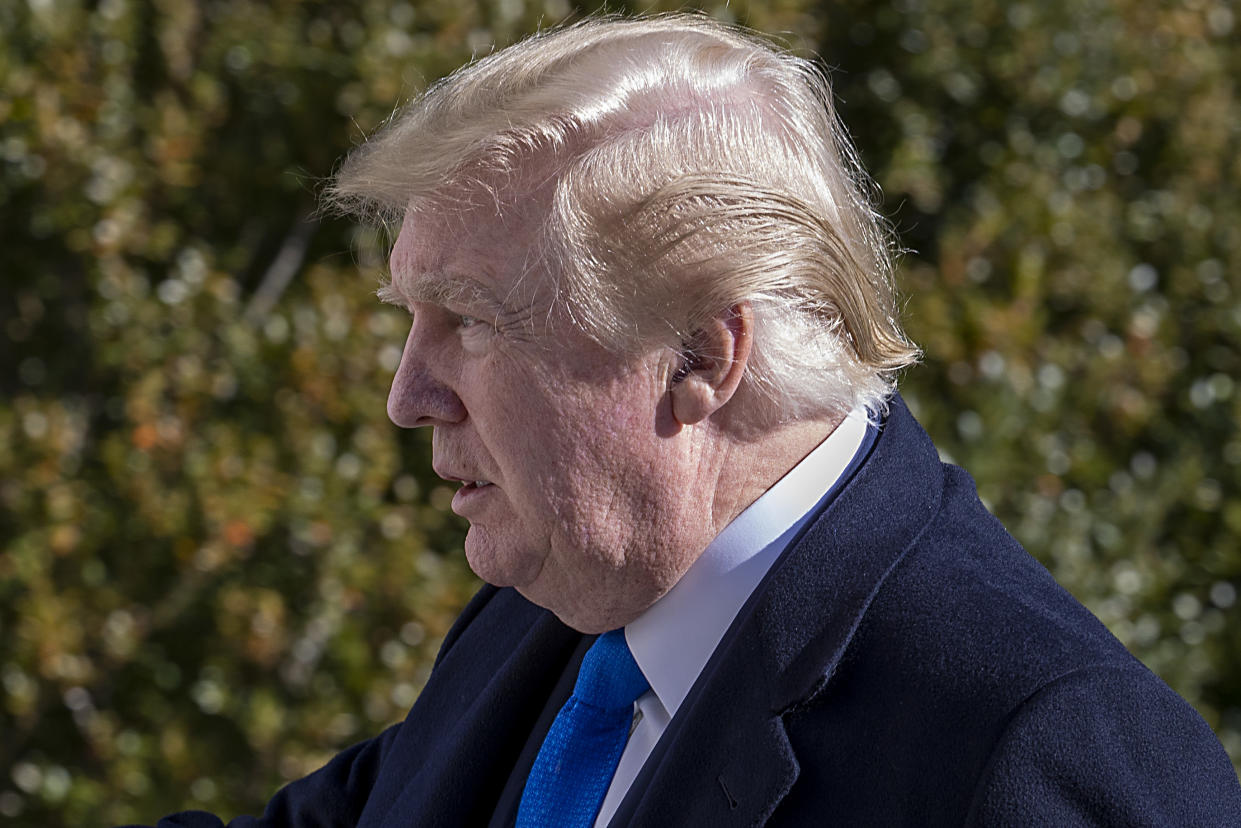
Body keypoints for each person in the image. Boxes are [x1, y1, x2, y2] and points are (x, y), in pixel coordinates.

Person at [132, 13, 1241, 827]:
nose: (404, 393)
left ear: (703, 356)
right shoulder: (550, 608)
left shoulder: (1035, 749)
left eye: (465, 321)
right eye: (407, 317)